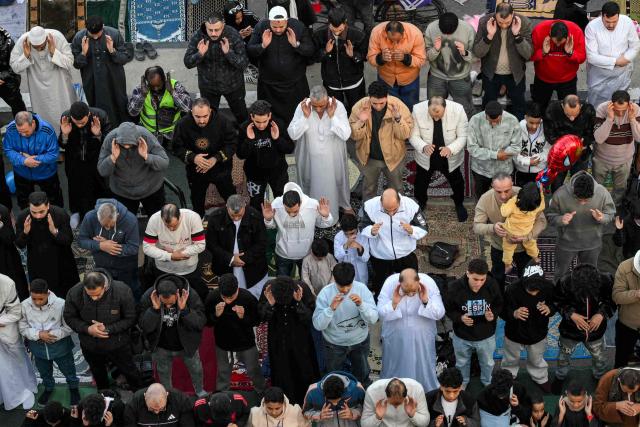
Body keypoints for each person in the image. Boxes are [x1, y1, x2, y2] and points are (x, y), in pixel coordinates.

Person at [63, 270, 141, 391]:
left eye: (98, 295)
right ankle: (104, 396)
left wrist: (108, 329)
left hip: (118, 344)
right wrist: (87, 329)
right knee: (98, 373)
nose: (94, 298)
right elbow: (69, 317)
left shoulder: (122, 291)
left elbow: (130, 318)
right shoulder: (74, 293)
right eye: (90, 295)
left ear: (105, 286)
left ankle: (139, 393)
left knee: (129, 370)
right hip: (90, 345)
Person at [288, 85, 352, 224]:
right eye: (315, 106)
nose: (317, 109)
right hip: (309, 159)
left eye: (321, 106)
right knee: (308, 183)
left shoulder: (338, 106)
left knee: (338, 181)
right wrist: (304, 117)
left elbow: (346, 134)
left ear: (327, 100)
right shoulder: (303, 107)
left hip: (333, 158)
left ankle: (343, 206)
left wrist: (332, 116)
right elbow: (292, 133)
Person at [377, 268, 445, 392]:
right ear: (399, 284)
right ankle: (394, 391)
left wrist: (425, 301)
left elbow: (439, 313)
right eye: (406, 291)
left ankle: (425, 391)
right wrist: (394, 303)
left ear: (419, 281)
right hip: (396, 335)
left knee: (423, 365)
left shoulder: (428, 283)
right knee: (394, 365)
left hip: (422, 335)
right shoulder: (389, 283)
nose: (410, 294)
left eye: (413, 291)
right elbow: (381, 313)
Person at [473, 173, 547, 287]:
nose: (503, 196)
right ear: (492, 186)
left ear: (512, 184)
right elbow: (477, 226)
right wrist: (493, 228)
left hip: (524, 247)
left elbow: (542, 221)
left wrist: (528, 236)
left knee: (527, 277)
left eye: (507, 191)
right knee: (498, 277)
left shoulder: (524, 194)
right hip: (500, 246)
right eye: (498, 191)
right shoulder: (485, 199)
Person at [139, 274, 206, 397]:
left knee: (196, 369)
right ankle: (168, 395)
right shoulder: (149, 296)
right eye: (165, 304)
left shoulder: (190, 295)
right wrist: (154, 310)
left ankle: (199, 390)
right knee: (163, 373)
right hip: (161, 346)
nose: (168, 306)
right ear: (158, 296)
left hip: (186, 345)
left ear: (177, 293)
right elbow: (146, 327)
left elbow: (199, 323)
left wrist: (185, 310)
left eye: (171, 303)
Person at [553, 264, 615, 393]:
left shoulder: (606, 280)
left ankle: (599, 377)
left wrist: (601, 314)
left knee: (600, 358)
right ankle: (560, 376)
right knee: (564, 356)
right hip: (570, 330)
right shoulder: (565, 282)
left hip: (595, 331)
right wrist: (571, 314)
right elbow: (557, 301)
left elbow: (612, 301)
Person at [313, 262, 378, 386]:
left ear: (353, 279)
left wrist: (361, 305)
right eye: (341, 286)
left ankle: (362, 397)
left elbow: (373, 319)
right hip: (334, 345)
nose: (345, 290)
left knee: (362, 375)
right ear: (334, 279)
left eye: (348, 285)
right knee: (333, 378)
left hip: (359, 342)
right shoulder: (325, 294)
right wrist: (331, 308)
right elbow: (318, 325)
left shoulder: (362, 289)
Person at [247, 6, 315, 123]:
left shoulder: (298, 27)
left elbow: (311, 51)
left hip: (295, 85)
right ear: (269, 22)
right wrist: (262, 46)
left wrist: (296, 44)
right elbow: (250, 50)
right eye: (274, 27)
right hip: (269, 86)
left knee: (298, 116)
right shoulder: (261, 27)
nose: (278, 30)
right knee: (271, 118)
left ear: (287, 21)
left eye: (281, 27)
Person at [258, 277, 319, 404]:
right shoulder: (269, 290)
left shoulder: (302, 289)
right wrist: (270, 304)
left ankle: (307, 401)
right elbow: (261, 317)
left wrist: (298, 303)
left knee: (303, 369)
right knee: (281, 371)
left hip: (300, 339)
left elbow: (310, 318)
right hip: (277, 339)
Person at [349, 81, 413, 202]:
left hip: (394, 158)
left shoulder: (398, 106)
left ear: (387, 97)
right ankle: (368, 213)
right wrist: (361, 121)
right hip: (369, 159)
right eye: (374, 103)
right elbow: (354, 136)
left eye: (381, 103)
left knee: (397, 189)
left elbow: (405, 135)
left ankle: (398, 212)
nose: (378, 106)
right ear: (369, 97)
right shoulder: (359, 107)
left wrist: (398, 119)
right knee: (368, 189)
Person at [172, 98, 237, 217]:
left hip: (221, 169)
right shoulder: (183, 124)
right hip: (196, 170)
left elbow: (232, 143)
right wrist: (193, 157)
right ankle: (199, 222)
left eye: (205, 116)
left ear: (210, 111)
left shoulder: (223, 122)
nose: (201, 120)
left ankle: (235, 219)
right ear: (191, 111)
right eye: (197, 116)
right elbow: (176, 147)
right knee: (197, 200)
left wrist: (215, 159)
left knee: (230, 196)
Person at [546, 171, 616, 281]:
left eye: (587, 200)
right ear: (573, 190)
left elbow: (610, 214)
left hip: (592, 244)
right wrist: (561, 219)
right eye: (579, 199)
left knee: (590, 275)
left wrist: (602, 218)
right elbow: (550, 216)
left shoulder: (602, 192)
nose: (583, 203)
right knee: (560, 273)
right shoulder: (560, 194)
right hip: (566, 244)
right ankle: (557, 293)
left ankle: (587, 295)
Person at [19, 279, 79, 407]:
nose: (37, 302)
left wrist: (51, 336)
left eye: (40, 299)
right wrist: (39, 335)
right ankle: (48, 388)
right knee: (44, 372)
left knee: (69, 370)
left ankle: (74, 388)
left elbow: (69, 327)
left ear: (48, 293)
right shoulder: (24, 305)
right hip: (38, 349)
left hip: (60, 348)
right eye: (33, 298)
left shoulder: (61, 304)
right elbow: (22, 327)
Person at [444, 258, 503, 387]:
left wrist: (492, 314)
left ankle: (487, 382)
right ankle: (462, 383)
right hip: (462, 335)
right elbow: (448, 309)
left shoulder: (492, 284)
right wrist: (460, 318)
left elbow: (499, 304)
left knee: (488, 362)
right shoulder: (455, 287)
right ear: (467, 273)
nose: (479, 283)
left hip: (486, 334)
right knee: (461, 363)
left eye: (482, 279)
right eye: (475, 279)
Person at [205, 274, 265, 397]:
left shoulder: (247, 298)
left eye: (231, 297)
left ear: (237, 289)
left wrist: (243, 317)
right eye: (224, 297)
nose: (227, 301)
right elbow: (207, 322)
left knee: (254, 370)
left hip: (245, 342)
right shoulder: (213, 297)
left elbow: (257, 320)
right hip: (223, 343)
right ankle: (221, 397)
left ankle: (262, 393)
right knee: (223, 372)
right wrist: (216, 315)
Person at [409, 96, 469, 221]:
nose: (435, 118)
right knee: (421, 181)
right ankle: (421, 202)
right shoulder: (417, 109)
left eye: (438, 116)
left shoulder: (458, 110)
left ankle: (459, 203)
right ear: (427, 108)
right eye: (432, 116)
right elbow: (413, 135)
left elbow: (463, 136)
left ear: (445, 108)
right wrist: (423, 146)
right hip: (426, 154)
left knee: (456, 180)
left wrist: (451, 149)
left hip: (448, 155)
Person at [360, 188, 428, 296]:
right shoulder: (369, 206)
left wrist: (412, 230)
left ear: (399, 201)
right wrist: (371, 231)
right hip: (381, 255)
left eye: (394, 210)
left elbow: (423, 228)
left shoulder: (411, 206)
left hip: (405, 254)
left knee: (411, 284)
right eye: (387, 210)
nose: (391, 213)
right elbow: (362, 227)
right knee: (381, 287)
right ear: (380, 202)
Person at [184, 12, 248, 124]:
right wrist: (200, 54)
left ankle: (246, 137)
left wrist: (229, 53)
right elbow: (188, 63)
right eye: (210, 30)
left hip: (233, 85)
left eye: (217, 30)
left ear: (223, 25)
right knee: (210, 119)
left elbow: (244, 64)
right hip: (209, 87)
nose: (213, 33)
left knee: (242, 116)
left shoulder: (233, 35)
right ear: (205, 25)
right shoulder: (198, 36)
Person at [472, 3, 533, 120]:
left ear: (513, 15)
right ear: (495, 16)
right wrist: (489, 36)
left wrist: (517, 36)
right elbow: (478, 53)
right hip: (491, 73)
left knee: (518, 105)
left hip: (515, 74)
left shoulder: (524, 23)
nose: (504, 25)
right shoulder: (485, 22)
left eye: (507, 22)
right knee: (489, 103)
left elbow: (528, 54)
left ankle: (517, 129)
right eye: (500, 22)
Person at [9, 26, 76, 133]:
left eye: (41, 46)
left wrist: (54, 52)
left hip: (60, 84)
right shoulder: (23, 41)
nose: (39, 49)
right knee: (43, 115)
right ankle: (47, 140)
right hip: (37, 86)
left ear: (46, 40)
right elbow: (14, 67)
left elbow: (69, 63)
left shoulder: (57, 37)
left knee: (64, 112)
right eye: (36, 47)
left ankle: (65, 139)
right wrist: (25, 56)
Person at [501, 262, 555, 393]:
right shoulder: (512, 289)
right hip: (514, 333)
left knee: (537, 359)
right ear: (523, 282)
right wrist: (514, 313)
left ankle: (540, 377)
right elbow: (501, 310)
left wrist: (550, 308)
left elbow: (556, 303)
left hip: (538, 332)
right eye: (531, 290)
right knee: (510, 359)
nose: (534, 293)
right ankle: (508, 378)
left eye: (537, 291)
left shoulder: (549, 287)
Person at [97, 121, 169, 216]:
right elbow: (102, 171)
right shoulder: (110, 139)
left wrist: (146, 156)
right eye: (123, 145)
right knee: (125, 226)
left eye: (131, 145)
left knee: (158, 222)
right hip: (123, 192)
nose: (127, 147)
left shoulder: (146, 136)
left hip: (151, 189)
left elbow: (164, 162)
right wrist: (112, 158)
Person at [262, 182, 333, 277]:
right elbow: (271, 226)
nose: (292, 214)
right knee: (283, 285)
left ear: (300, 203)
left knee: (306, 285)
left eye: (295, 211)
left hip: (306, 254)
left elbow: (323, 225)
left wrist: (326, 216)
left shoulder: (312, 205)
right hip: (283, 254)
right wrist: (268, 219)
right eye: (288, 211)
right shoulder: (276, 205)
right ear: (283, 204)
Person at [15, 192, 79, 298]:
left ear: (48, 206)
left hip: (60, 259)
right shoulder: (23, 217)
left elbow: (68, 240)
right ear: (29, 207)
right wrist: (25, 232)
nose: (38, 216)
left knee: (66, 291)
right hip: (37, 261)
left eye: (41, 212)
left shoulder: (60, 214)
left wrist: (55, 232)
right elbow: (19, 244)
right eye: (34, 212)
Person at [206, 195, 269, 299]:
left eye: (239, 215)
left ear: (244, 206)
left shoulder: (255, 216)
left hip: (253, 271)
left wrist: (243, 259)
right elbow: (211, 244)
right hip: (225, 268)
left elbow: (262, 243)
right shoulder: (215, 218)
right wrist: (230, 259)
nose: (236, 218)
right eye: (232, 216)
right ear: (227, 207)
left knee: (253, 299)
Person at [59, 102, 111, 226]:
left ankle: (101, 213)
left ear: (88, 114)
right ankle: (76, 212)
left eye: (82, 123)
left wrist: (98, 135)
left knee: (98, 186)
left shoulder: (101, 116)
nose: (79, 125)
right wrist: (65, 135)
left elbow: (109, 143)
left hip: (95, 159)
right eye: (76, 123)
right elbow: (62, 144)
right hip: (74, 161)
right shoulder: (66, 117)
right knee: (75, 187)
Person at [237, 100, 294, 211]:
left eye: (265, 121)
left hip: (278, 173)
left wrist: (277, 139)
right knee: (256, 205)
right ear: (252, 116)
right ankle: (259, 227)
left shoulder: (279, 124)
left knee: (283, 203)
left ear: (270, 115)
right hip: (254, 175)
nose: (261, 125)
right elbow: (240, 155)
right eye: (258, 122)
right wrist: (249, 140)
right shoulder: (244, 128)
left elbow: (290, 149)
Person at [71, 16, 129, 126]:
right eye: (92, 35)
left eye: (98, 34)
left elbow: (124, 59)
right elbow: (76, 64)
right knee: (96, 107)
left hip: (114, 79)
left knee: (119, 104)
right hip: (91, 81)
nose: (96, 37)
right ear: (86, 29)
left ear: (103, 27)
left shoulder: (114, 34)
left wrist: (112, 51)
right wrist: (83, 53)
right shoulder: (79, 38)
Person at [78, 199, 141, 300]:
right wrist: (100, 245)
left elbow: (133, 247)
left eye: (110, 225)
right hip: (102, 265)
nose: (107, 228)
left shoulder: (130, 220)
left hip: (126, 267)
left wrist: (109, 247)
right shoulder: (90, 217)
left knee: (131, 294)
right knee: (106, 296)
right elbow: (81, 240)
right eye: (104, 226)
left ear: (118, 215)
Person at [143, 204, 208, 300]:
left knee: (196, 296)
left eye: (174, 225)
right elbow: (147, 247)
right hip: (163, 269)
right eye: (167, 226)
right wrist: (170, 256)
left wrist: (182, 253)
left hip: (189, 269)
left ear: (180, 216)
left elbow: (200, 245)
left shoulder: (192, 218)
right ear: (161, 218)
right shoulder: (154, 220)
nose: (171, 229)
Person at [312, 7, 368, 114]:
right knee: (336, 113)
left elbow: (365, 56)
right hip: (331, 83)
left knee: (357, 111)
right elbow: (313, 57)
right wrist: (325, 51)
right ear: (328, 22)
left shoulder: (358, 34)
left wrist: (353, 55)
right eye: (333, 30)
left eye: (340, 30)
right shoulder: (319, 34)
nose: (337, 33)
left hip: (354, 82)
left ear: (345, 22)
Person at [585, 2, 640, 109]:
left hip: (622, 73)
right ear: (602, 16)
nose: (611, 25)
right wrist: (615, 62)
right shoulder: (592, 27)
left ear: (619, 15)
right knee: (597, 105)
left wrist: (626, 58)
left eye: (614, 22)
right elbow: (591, 56)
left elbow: (635, 45)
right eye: (607, 22)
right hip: (599, 75)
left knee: (619, 103)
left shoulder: (627, 22)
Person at [3, 111, 63, 209]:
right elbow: (8, 149)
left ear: (33, 123)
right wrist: (24, 160)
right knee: (23, 202)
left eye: (26, 131)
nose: (22, 134)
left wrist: (33, 159)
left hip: (46, 173)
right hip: (22, 173)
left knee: (54, 200)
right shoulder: (11, 128)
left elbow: (54, 154)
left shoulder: (47, 130)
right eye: (19, 132)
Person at [424, 12, 476, 117]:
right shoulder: (431, 28)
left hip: (460, 78)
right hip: (436, 77)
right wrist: (435, 50)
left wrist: (464, 52)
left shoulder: (468, 30)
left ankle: (465, 132)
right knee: (433, 109)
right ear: (439, 25)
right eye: (444, 33)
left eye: (450, 33)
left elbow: (475, 56)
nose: (447, 36)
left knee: (465, 111)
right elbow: (427, 56)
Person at [593, 90, 640, 206]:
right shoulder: (602, 109)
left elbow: (638, 138)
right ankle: (598, 205)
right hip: (601, 159)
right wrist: (609, 119)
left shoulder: (635, 109)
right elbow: (599, 139)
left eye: (623, 110)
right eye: (617, 110)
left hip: (624, 160)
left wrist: (632, 119)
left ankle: (614, 207)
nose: (620, 114)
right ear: (611, 105)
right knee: (597, 187)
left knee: (620, 189)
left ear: (629, 104)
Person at [467, 101, 521, 199]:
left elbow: (516, 146)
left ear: (502, 114)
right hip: (481, 169)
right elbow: (472, 148)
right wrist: (495, 155)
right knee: (481, 197)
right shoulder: (475, 121)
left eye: (497, 120)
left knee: (505, 198)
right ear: (485, 114)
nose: (494, 123)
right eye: (490, 121)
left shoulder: (512, 120)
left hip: (504, 169)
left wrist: (505, 153)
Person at [127, 66, 192, 147]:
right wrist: (142, 95)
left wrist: (172, 92)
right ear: (146, 81)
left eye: (159, 85)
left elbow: (188, 108)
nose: (156, 89)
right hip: (149, 133)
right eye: (152, 86)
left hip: (171, 133)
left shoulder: (175, 86)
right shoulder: (141, 89)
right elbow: (132, 112)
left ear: (164, 79)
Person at [367, 21, 425, 111]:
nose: (394, 43)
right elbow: (371, 58)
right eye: (391, 40)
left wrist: (406, 58)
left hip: (410, 80)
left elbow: (421, 60)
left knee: (411, 109)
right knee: (390, 110)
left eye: (398, 40)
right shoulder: (376, 32)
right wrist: (380, 58)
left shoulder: (415, 33)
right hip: (386, 79)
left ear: (403, 33)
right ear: (386, 33)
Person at [530, 20, 586, 113]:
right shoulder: (539, 30)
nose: (558, 45)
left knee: (568, 110)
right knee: (538, 109)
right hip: (543, 79)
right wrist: (543, 52)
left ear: (568, 36)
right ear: (549, 34)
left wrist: (570, 53)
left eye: (561, 43)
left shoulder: (576, 31)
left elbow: (582, 58)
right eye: (555, 42)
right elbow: (529, 56)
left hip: (567, 80)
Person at [543, 95, 596, 192]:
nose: (572, 118)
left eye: (575, 115)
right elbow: (549, 134)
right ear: (562, 106)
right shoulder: (552, 110)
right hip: (560, 155)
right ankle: (557, 202)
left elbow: (593, 133)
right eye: (568, 115)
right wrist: (567, 147)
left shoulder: (588, 110)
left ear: (580, 106)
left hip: (580, 154)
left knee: (579, 183)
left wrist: (585, 142)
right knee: (557, 184)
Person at [0, 273, 37, 410]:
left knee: (18, 358)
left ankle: (26, 388)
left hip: (7, 327)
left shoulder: (6, 282)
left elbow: (15, 313)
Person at [500, 183, 545, 272]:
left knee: (508, 249)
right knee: (531, 245)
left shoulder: (513, 202)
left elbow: (504, 213)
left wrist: (504, 204)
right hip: (527, 232)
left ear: (520, 195)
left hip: (511, 232)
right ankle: (535, 257)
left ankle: (508, 265)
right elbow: (542, 205)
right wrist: (541, 193)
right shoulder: (538, 206)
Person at [361, 378, 429, 427]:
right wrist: (377, 417)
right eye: (392, 403)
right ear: (385, 393)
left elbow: (425, 422)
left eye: (399, 403)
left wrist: (413, 415)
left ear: (407, 392)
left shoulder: (417, 389)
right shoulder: (372, 391)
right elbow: (364, 424)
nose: (396, 407)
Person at [612, 250, 640, 368]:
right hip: (627, 324)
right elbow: (616, 297)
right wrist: (637, 294)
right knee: (621, 360)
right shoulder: (624, 267)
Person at [123, 383, 195, 427]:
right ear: (145, 397)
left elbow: (187, 424)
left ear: (167, 396)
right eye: (151, 409)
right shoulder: (133, 405)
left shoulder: (181, 401)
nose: (156, 412)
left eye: (161, 408)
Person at [514, 102, 550, 187]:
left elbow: (549, 149)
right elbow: (512, 151)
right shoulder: (517, 129)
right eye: (531, 123)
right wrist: (527, 161)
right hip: (520, 171)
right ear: (525, 117)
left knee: (538, 196)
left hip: (540, 171)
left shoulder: (546, 129)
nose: (534, 126)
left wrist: (539, 158)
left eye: (538, 123)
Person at [0, 203, 28, 300]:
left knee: (15, 287)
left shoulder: (2, 211)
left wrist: (0, 226)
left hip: (6, 258)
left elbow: (10, 238)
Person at [333, 214, 370, 285]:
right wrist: (346, 246)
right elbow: (337, 256)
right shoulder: (338, 237)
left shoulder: (363, 236)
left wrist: (360, 248)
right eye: (346, 234)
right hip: (345, 271)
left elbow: (366, 259)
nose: (350, 236)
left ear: (357, 227)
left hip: (360, 270)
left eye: (352, 233)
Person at [0, 26, 26, 118]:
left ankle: (24, 128)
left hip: (8, 81)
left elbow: (15, 65)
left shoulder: (8, 42)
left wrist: (2, 77)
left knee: (19, 109)